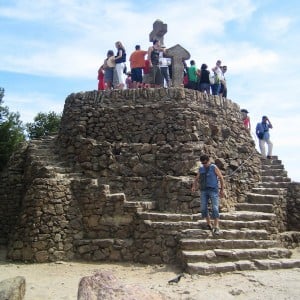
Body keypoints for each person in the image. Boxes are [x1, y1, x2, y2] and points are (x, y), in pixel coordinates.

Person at [191, 154, 225, 235]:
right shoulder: (201, 168)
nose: (204, 164)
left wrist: (222, 190)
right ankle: (209, 224)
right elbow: (196, 178)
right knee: (203, 208)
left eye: (205, 163)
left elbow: (221, 177)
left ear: (208, 161)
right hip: (204, 190)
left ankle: (216, 226)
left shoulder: (214, 167)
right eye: (203, 163)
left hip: (213, 190)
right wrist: (193, 186)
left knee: (215, 208)